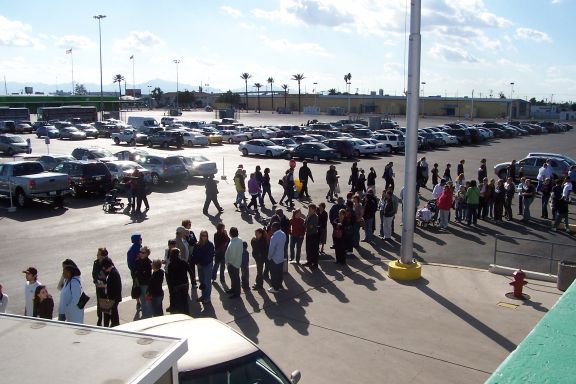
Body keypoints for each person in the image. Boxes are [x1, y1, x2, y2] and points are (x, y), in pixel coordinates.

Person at [191, 230, 214, 304]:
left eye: (205, 235)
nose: (204, 237)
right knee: (202, 281)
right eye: (203, 235)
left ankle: (207, 298)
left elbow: (209, 257)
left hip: (207, 265)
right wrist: (197, 263)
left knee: (207, 282)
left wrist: (201, 263)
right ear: (200, 236)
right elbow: (194, 254)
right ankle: (203, 296)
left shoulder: (210, 244)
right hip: (199, 265)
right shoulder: (197, 244)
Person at [166, 248, 190, 314]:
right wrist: (193, 280)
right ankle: (187, 314)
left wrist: (171, 287)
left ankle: (180, 314)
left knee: (178, 302)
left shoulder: (171, 265)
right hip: (184, 284)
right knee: (185, 301)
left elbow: (170, 277)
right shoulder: (183, 262)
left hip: (176, 285)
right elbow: (190, 271)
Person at [101, 257, 122, 327]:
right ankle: (108, 326)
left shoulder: (114, 274)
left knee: (113, 316)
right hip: (110, 298)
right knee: (108, 315)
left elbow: (115, 288)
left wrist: (105, 286)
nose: (103, 269)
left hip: (112, 299)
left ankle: (115, 326)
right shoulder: (111, 272)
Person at [134, 246, 153, 319]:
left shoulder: (149, 263)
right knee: (142, 300)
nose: (140, 253)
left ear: (147, 254)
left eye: (142, 252)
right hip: (139, 284)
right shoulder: (137, 261)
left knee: (148, 301)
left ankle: (148, 316)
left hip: (146, 285)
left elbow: (147, 275)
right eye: (140, 252)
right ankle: (145, 315)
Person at [224, 227, 243, 299]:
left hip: (233, 264)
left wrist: (229, 263)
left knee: (235, 279)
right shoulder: (239, 240)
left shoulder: (233, 243)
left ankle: (236, 293)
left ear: (231, 233)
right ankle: (233, 289)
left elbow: (232, 255)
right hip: (236, 263)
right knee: (234, 278)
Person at [268, 222, 287, 293]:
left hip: (274, 258)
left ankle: (275, 288)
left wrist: (269, 257)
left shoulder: (274, 237)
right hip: (281, 256)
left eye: (272, 227)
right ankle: (279, 286)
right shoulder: (283, 234)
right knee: (279, 272)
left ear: (275, 228)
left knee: (274, 273)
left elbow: (271, 249)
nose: (271, 229)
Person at [92, 248, 108, 326]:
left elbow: (109, 274)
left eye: (98, 254)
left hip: (105, 286)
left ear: (102, 255)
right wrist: (95, 281)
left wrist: (105, 283)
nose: (97, 255)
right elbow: (94, 273)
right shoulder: (96, 263)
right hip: (98, 286)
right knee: (99, 303)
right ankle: (99, 319)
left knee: (105, 303)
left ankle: (106, 320)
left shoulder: (107, 263)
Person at [127, 232, 142, 315]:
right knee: (137, 286)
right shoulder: (133, 250)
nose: (141, 239)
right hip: (136, 271)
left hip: (137, 271)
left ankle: (139, 300)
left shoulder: (137, 247)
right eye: (140, 238)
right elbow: (130, 264)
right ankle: (138, 300)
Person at [304, 204, 320, 269]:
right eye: (309, 209)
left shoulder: (315, 217)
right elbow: (305, 224)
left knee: (314, 250)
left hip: (313, 235)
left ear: (314, 210)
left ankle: (315, 264)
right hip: (308, 234)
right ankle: (309, 261)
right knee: (308, 249)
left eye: (310, 209)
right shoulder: (308, 215)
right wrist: (307, 225)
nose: (309, 210)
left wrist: (307, 225)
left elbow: (310, 226)